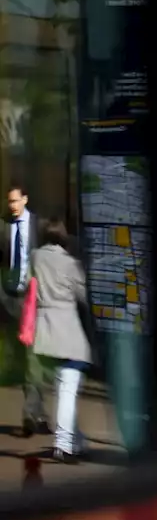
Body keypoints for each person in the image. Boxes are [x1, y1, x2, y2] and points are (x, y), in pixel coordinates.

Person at [30, 220, 92, 463]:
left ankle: (76, 440)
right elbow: (83, 295)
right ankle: (63, 444)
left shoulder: (36, 257)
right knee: (68, 388)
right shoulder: (70, 263)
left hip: (45, 330)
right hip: (68, 332)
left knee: (64, 387)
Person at [1, 183, 49, 437]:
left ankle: (31, 414)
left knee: (33, 359)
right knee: (24, 360)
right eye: (9, 202)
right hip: (11, 301)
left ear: (25, 199)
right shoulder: (4, 227)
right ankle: (39, 415)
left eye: (16, 201)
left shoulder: (38, 226)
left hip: (33, 300)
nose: (13, 206)